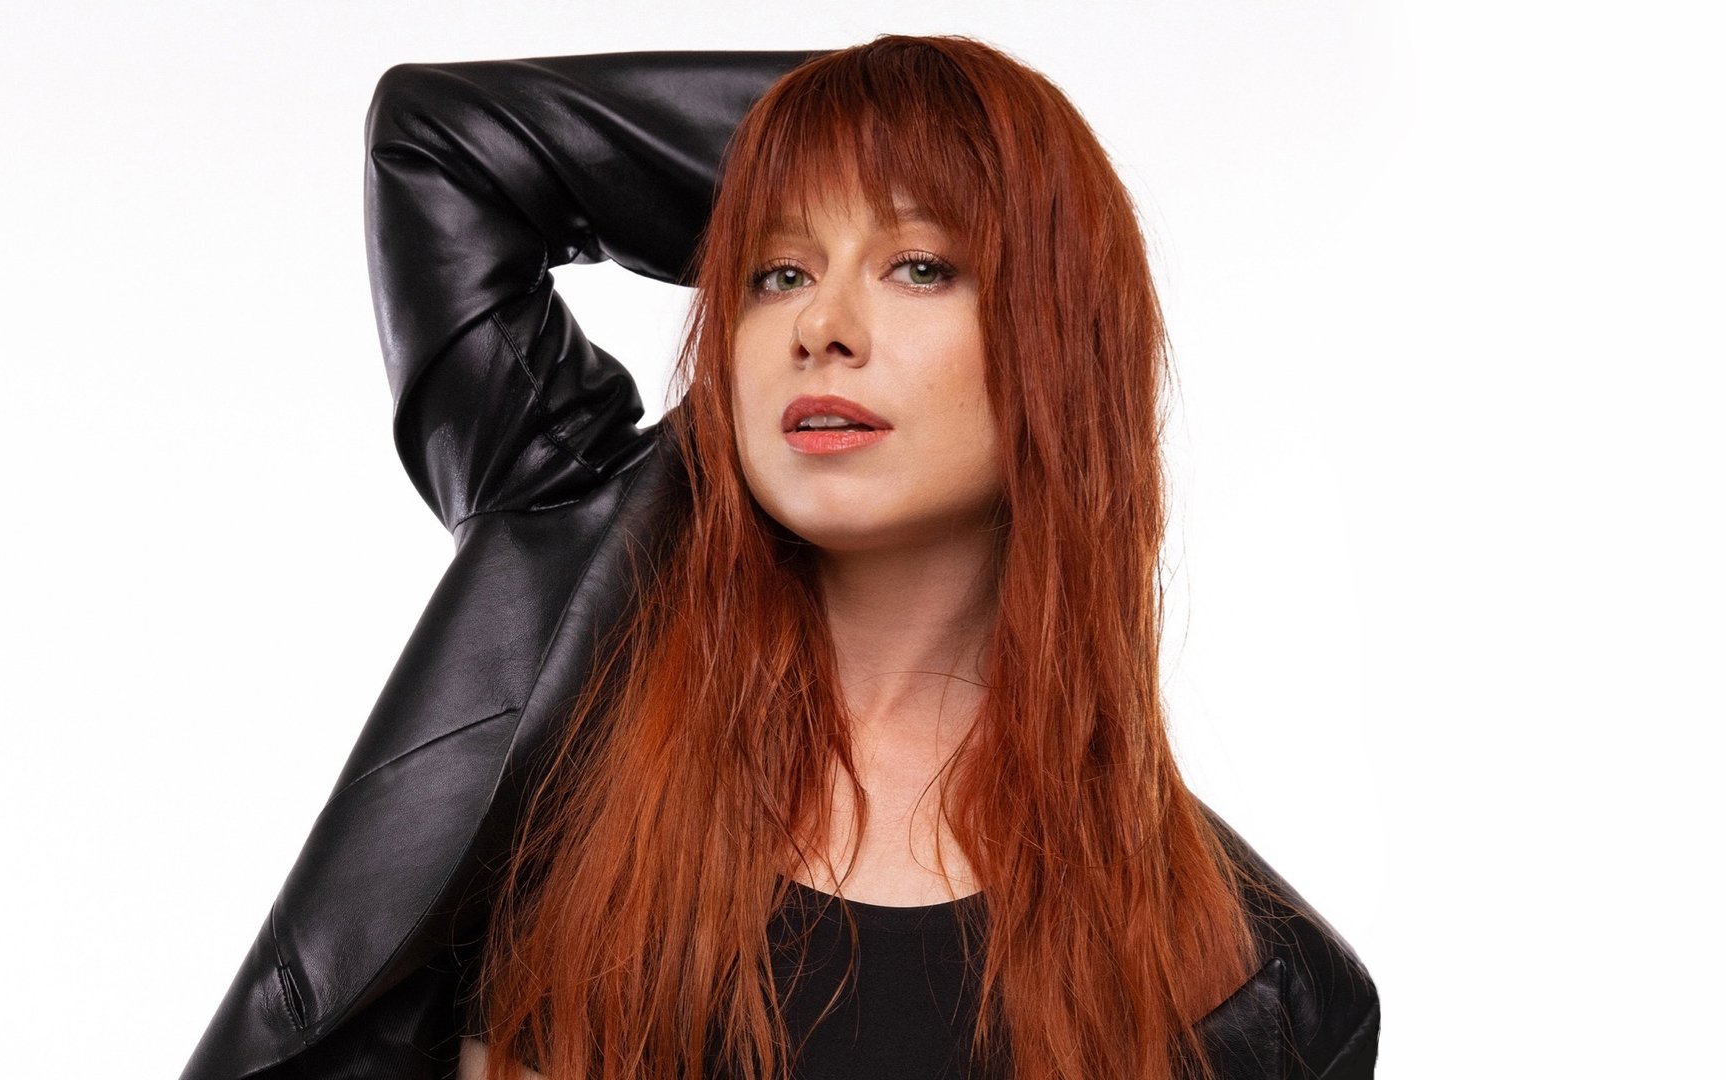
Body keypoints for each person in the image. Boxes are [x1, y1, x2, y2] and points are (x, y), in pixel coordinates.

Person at [180, 35, 1379, 1080]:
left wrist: (1017, 174)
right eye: (776, 271)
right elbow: (446, 142)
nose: (822, 325)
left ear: (1061, 335)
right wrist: (868, 123)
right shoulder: (573, 637)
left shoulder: (1255, 990)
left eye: (921, 265)